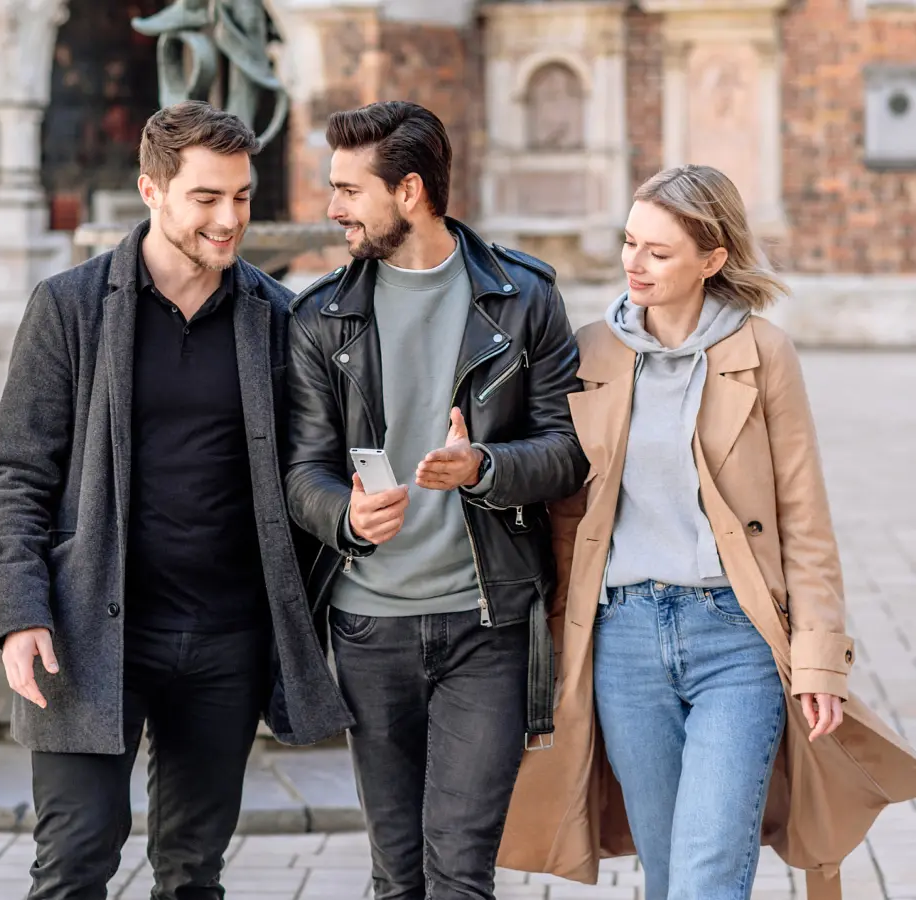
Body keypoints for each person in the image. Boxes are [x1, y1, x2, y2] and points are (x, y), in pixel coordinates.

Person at [498, 164, 916, 900]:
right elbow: (561, 510)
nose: (634, 263)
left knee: (706, 878)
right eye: (630, 243)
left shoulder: (764, 352)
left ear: (712, 260)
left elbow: (804, 521)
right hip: (622, 642)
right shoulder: (589, 353)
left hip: (737, 638)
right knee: (667, 876)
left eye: (658, 252)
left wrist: (820, 661)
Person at [0, 100, 353, 900]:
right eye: (207, 198)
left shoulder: (277, 318)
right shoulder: (69, 308)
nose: (230, 219)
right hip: (89, 632)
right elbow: (16, 473)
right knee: (74, 863)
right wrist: (19, 610)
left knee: (192, 874)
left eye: (243, 197)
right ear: (152, 191)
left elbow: (306, 473)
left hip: (225, 641)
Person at [284, 100, 588, 900]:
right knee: (398, 876)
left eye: (350, 189)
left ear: (409, 190)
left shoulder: (523, 300)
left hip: (485, 626)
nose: (332, 207)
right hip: (367, 627)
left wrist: (483, 464)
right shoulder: (320, 317)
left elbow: (567, 452)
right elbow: (301, 471)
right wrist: (342, 516)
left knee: (460, 873)